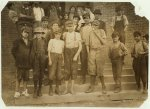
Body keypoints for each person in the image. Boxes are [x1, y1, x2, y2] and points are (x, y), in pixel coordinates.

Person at [85, 20, 107, 94]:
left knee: (100, 70)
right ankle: (91, 86)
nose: (95, 26)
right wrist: (88, 53)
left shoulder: (102, 31)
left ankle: (104, 86)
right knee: (92, 69)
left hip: (100, 51)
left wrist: (97, 34)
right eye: (93, 25)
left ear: (99, 26)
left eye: (96, 25)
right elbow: (87, 44)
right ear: (92, 25)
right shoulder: (90, 33)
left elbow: (104, 42)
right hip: (92, 51)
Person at [63, 20, 82, 94]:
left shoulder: (77, 34)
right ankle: (66, 89)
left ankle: (72, 89)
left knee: (74, 71)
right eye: (68, 26)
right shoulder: (64, 34)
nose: (70, 27)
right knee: (67, 71)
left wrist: (76, 55)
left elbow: (80, 47)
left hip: (74, 53)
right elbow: (63, 46)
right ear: (66, 27)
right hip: (67, 53)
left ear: (73, 26)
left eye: (71, 26)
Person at [11, 26, 32, 98]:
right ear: (22, 33)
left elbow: (30, 52)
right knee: (19, 77)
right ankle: (17, 92)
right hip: (19, 63)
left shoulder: (30, 42)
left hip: (27, 63)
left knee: (26, 78)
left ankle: (24, 91)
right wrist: (18, 58)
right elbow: (13, 51)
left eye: (27, 33)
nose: (26, 34)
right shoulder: (17, 41)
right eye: (25, 32)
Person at [30, 27, 47, 98]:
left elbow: (46, 50)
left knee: (41, 75)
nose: (38, 35)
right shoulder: (33, 41)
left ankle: (40, 89)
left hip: (42, 59)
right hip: (35, 59)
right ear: (35, 34)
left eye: (40, 33)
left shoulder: (45, 40)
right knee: (35, 74)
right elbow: (31, 51)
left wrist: (45, 59)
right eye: (37, 33)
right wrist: (32, 61)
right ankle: (35, 89)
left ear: (42, 34)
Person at [48, 29, 64, 96]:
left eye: (59, 34)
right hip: (53, 56)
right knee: (52, 73)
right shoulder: (52, 40)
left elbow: (62, 51)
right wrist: (50, 60)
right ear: (54, 34)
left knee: (59, 73)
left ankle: (57, 88)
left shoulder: (62, 42)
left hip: (59, 57)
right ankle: (51, 88)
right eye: (57, 34)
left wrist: (63, 60)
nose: (58, 35)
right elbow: (48, 51)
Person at [80, 18, 92, 84]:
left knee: (91, 60)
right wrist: (82, 41)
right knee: (83, 60)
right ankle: (83, 77)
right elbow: (80, 37)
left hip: (91, 45)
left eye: (87, 18)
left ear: (89, 19)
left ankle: (92, 77)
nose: (86, 19)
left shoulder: (92, 27)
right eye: (85, 18)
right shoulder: (82, 28)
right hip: (84, 46)